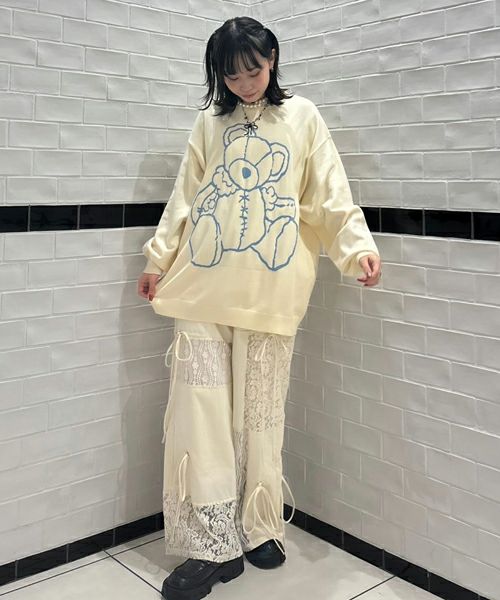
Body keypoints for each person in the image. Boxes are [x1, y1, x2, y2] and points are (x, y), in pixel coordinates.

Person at [137, 16, 381, 600]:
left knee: (261, 412)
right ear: (217, 75)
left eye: (254, 70)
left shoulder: (303, 117)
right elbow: (185, 195)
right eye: (232, 74)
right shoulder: (209, 122)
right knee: (200, 412)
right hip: (201, 288)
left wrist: (356, 249)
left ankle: (258, 524)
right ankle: (210, 545)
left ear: (273, 59)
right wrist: (157, 258)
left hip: (271, 292)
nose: (245, 83)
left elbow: (329, 191)